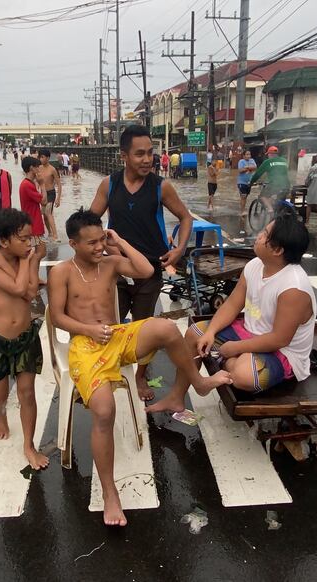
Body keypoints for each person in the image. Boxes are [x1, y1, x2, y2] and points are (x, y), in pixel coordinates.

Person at [48, 210, 230, 526]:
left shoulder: (110, 263)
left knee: (167, 329)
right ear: (73, 243)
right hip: (86, 346)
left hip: (117, 336)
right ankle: (110, 494)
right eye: (90, 243)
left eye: (100, 239)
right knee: (104, 412)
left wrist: (119, 241)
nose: (97, 248)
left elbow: (146, 270)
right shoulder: (61, 272)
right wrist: (88, 330)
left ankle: (196, 383)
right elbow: (57, 317)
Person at [147, 206, 314, 413]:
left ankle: (233, 361)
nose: (259, 236)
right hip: (249, 332)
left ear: (277, 250)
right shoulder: (254, 265)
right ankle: (176, 397)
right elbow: (233, 304)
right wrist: (211, 332)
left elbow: (280, 339)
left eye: (265, 235)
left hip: (281, 351)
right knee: (194, 334)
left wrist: (235, 348)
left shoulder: (293, 287)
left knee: (244, 375)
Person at [90, 125, 193, 401]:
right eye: (140, 154)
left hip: (150, 268)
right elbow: (90, 223)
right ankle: (107, 370)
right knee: (108, 323)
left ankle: (139, 375)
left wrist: (179, 249)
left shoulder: (162, 187)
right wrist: (99, 246)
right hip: (117, 269)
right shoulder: (108, 185)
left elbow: (186, 218)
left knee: (144, 324)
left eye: (150, 153)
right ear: (124, 155)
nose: (147, 159)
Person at [0, 208, 47, 470]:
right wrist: (29, 262)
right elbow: (18, 288)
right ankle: (1, 417)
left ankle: (28, 445)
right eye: (23, 239)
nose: (29, 244)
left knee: (27, 393)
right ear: (3, 241)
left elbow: (29, 293)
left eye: (30, 238)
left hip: (25, 337)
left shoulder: (22, 259)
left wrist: (33, 260)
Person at [18, 156, 47, 249]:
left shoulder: (27, 183)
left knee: (37, 252)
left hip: (31, 222)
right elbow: (44, 201)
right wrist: (42, 184)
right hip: (33, 224)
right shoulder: (27, 185)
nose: (39, 169)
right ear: (31, 168)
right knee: (40, 252)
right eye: (37, 167)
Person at [249, 146, 290, 211]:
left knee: (262, 196)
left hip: (274, 185)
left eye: (268, 154)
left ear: (270, 154)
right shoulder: (284, 161)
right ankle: (277, 215)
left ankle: (271, 210)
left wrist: (251, 183)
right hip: (287, 186)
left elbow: (257, 174)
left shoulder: (268, 162)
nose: (268, 156)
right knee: (276, 199)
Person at [37, 148, 62, 242]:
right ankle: (50, 232)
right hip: (42, 194)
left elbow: (59, 184)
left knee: (48, 212)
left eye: (43, 157)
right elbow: (36, 181)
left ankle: (56, 235)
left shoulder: (52, 169)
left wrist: (58, 198)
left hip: (51, 193)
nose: (41, 159)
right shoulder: (38, 168)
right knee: (44, 215)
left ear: (48, 158)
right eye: (40, 157)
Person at [236, 150, 257, 215]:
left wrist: (247, 167)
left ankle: (243, 209)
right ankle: (242, 211)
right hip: (241, 182)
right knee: (243, 197)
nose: (249, 156)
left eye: (249, 154)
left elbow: (255, 167)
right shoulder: (241, 161)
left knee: (246, 197)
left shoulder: (252, 160)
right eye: (247, 154)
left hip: (249, 183)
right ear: (244, 156)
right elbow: (240, 170)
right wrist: (250, 168)